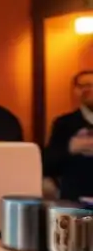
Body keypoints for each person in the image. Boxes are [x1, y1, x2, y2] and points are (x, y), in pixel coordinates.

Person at [44, 70, 93, 201]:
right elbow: (48, 165)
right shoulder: (63, 123)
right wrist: (70, 148)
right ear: (76, 91)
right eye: (84, 86)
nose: (90, 90)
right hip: (74, 201)